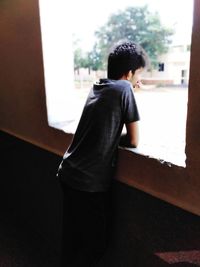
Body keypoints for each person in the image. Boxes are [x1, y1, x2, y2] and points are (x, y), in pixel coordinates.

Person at [57, 41, 148, 267]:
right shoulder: (125, 89)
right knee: (97, 243)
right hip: (88, 183)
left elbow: (106, 119)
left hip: (68, 172)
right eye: (137, 75)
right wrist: (130, 92)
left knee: (73, 237)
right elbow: (134, 140)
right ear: (129, 73)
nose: (138, 81)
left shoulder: (98, 86)